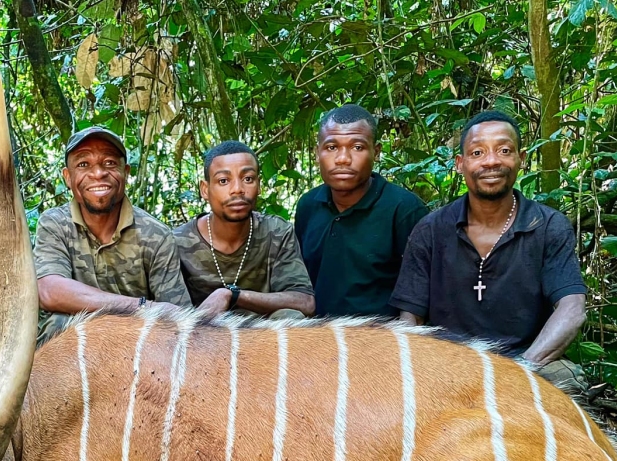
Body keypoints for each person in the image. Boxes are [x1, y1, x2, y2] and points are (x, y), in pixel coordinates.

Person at [389, 110, 587, 386]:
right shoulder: (431, 229)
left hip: (523, 365)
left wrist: (520, 369)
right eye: (478, 153)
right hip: (447, 367)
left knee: (566, 378)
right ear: (460, 163)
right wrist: (424, 370)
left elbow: (572, 307)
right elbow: (410, 318)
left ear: (521, 158)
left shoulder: (547, 225)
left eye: (504, 150)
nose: (491, 161)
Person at [34, 126, 191, 341]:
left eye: (109, 163)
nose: (98, 173)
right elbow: (50, 291)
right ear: (68, 177)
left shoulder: (156, 235)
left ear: (125, 173)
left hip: (136, 345)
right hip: (72, 350)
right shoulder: (55, 223)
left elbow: (177, 316)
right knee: (59, 324)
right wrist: (141, 306)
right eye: (83, 164)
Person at [295, 104, 429, 317]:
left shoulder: (404, 209)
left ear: (376, 152)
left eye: (357, 147)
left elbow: (416, 296)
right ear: (317, 152)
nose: (343, 159)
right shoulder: (308, 206)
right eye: (331, 147)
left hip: (381, 340)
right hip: (319, 339)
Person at [174, 141, 315, 319]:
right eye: (223, 181)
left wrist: (232, 295)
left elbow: (305, 302)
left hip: (264, 339)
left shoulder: (276, 232)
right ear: (205, 189)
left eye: (248, 179)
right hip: (204, 340)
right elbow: (171, 316)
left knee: (290, 316)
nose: (238, 190)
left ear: (259, 185)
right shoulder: (178, 241)